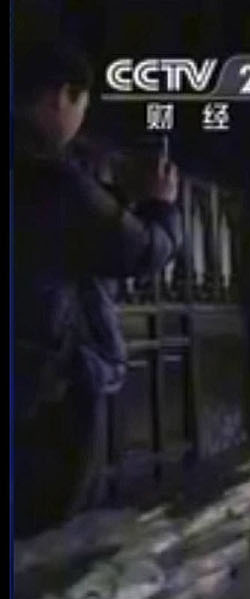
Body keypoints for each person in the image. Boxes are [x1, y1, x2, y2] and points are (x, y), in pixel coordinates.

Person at [14, 39, 183, 537]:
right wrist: (160, 205)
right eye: (81, 105)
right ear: (60, 97)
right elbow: (139, 251)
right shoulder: (46, 174)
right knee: (49, 529)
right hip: (45, 382)